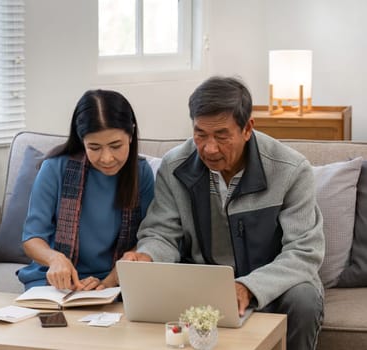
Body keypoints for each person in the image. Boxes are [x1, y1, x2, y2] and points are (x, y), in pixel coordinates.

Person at [128, 76, 325, 350]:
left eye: (222, 135)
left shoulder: (291, 169)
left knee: (304, 298)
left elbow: (304, 251)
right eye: (200, 134)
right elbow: (161, 234)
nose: (209, 148)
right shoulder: (174, 166)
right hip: (203, 282)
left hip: (272, 283)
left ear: (247, 129)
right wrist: (147, 256)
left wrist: (248, 287)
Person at [17, 89, 155, 292]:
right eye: (95, 147)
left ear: (131, 134)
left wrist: (111, 280)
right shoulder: (54, 168)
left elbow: (149, 236)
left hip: (116, 279)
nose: (106, 158)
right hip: (57, 279)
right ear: (82, 141)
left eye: (116, 146)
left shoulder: (141, 173)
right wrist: (55, 259)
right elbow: (32, 239)